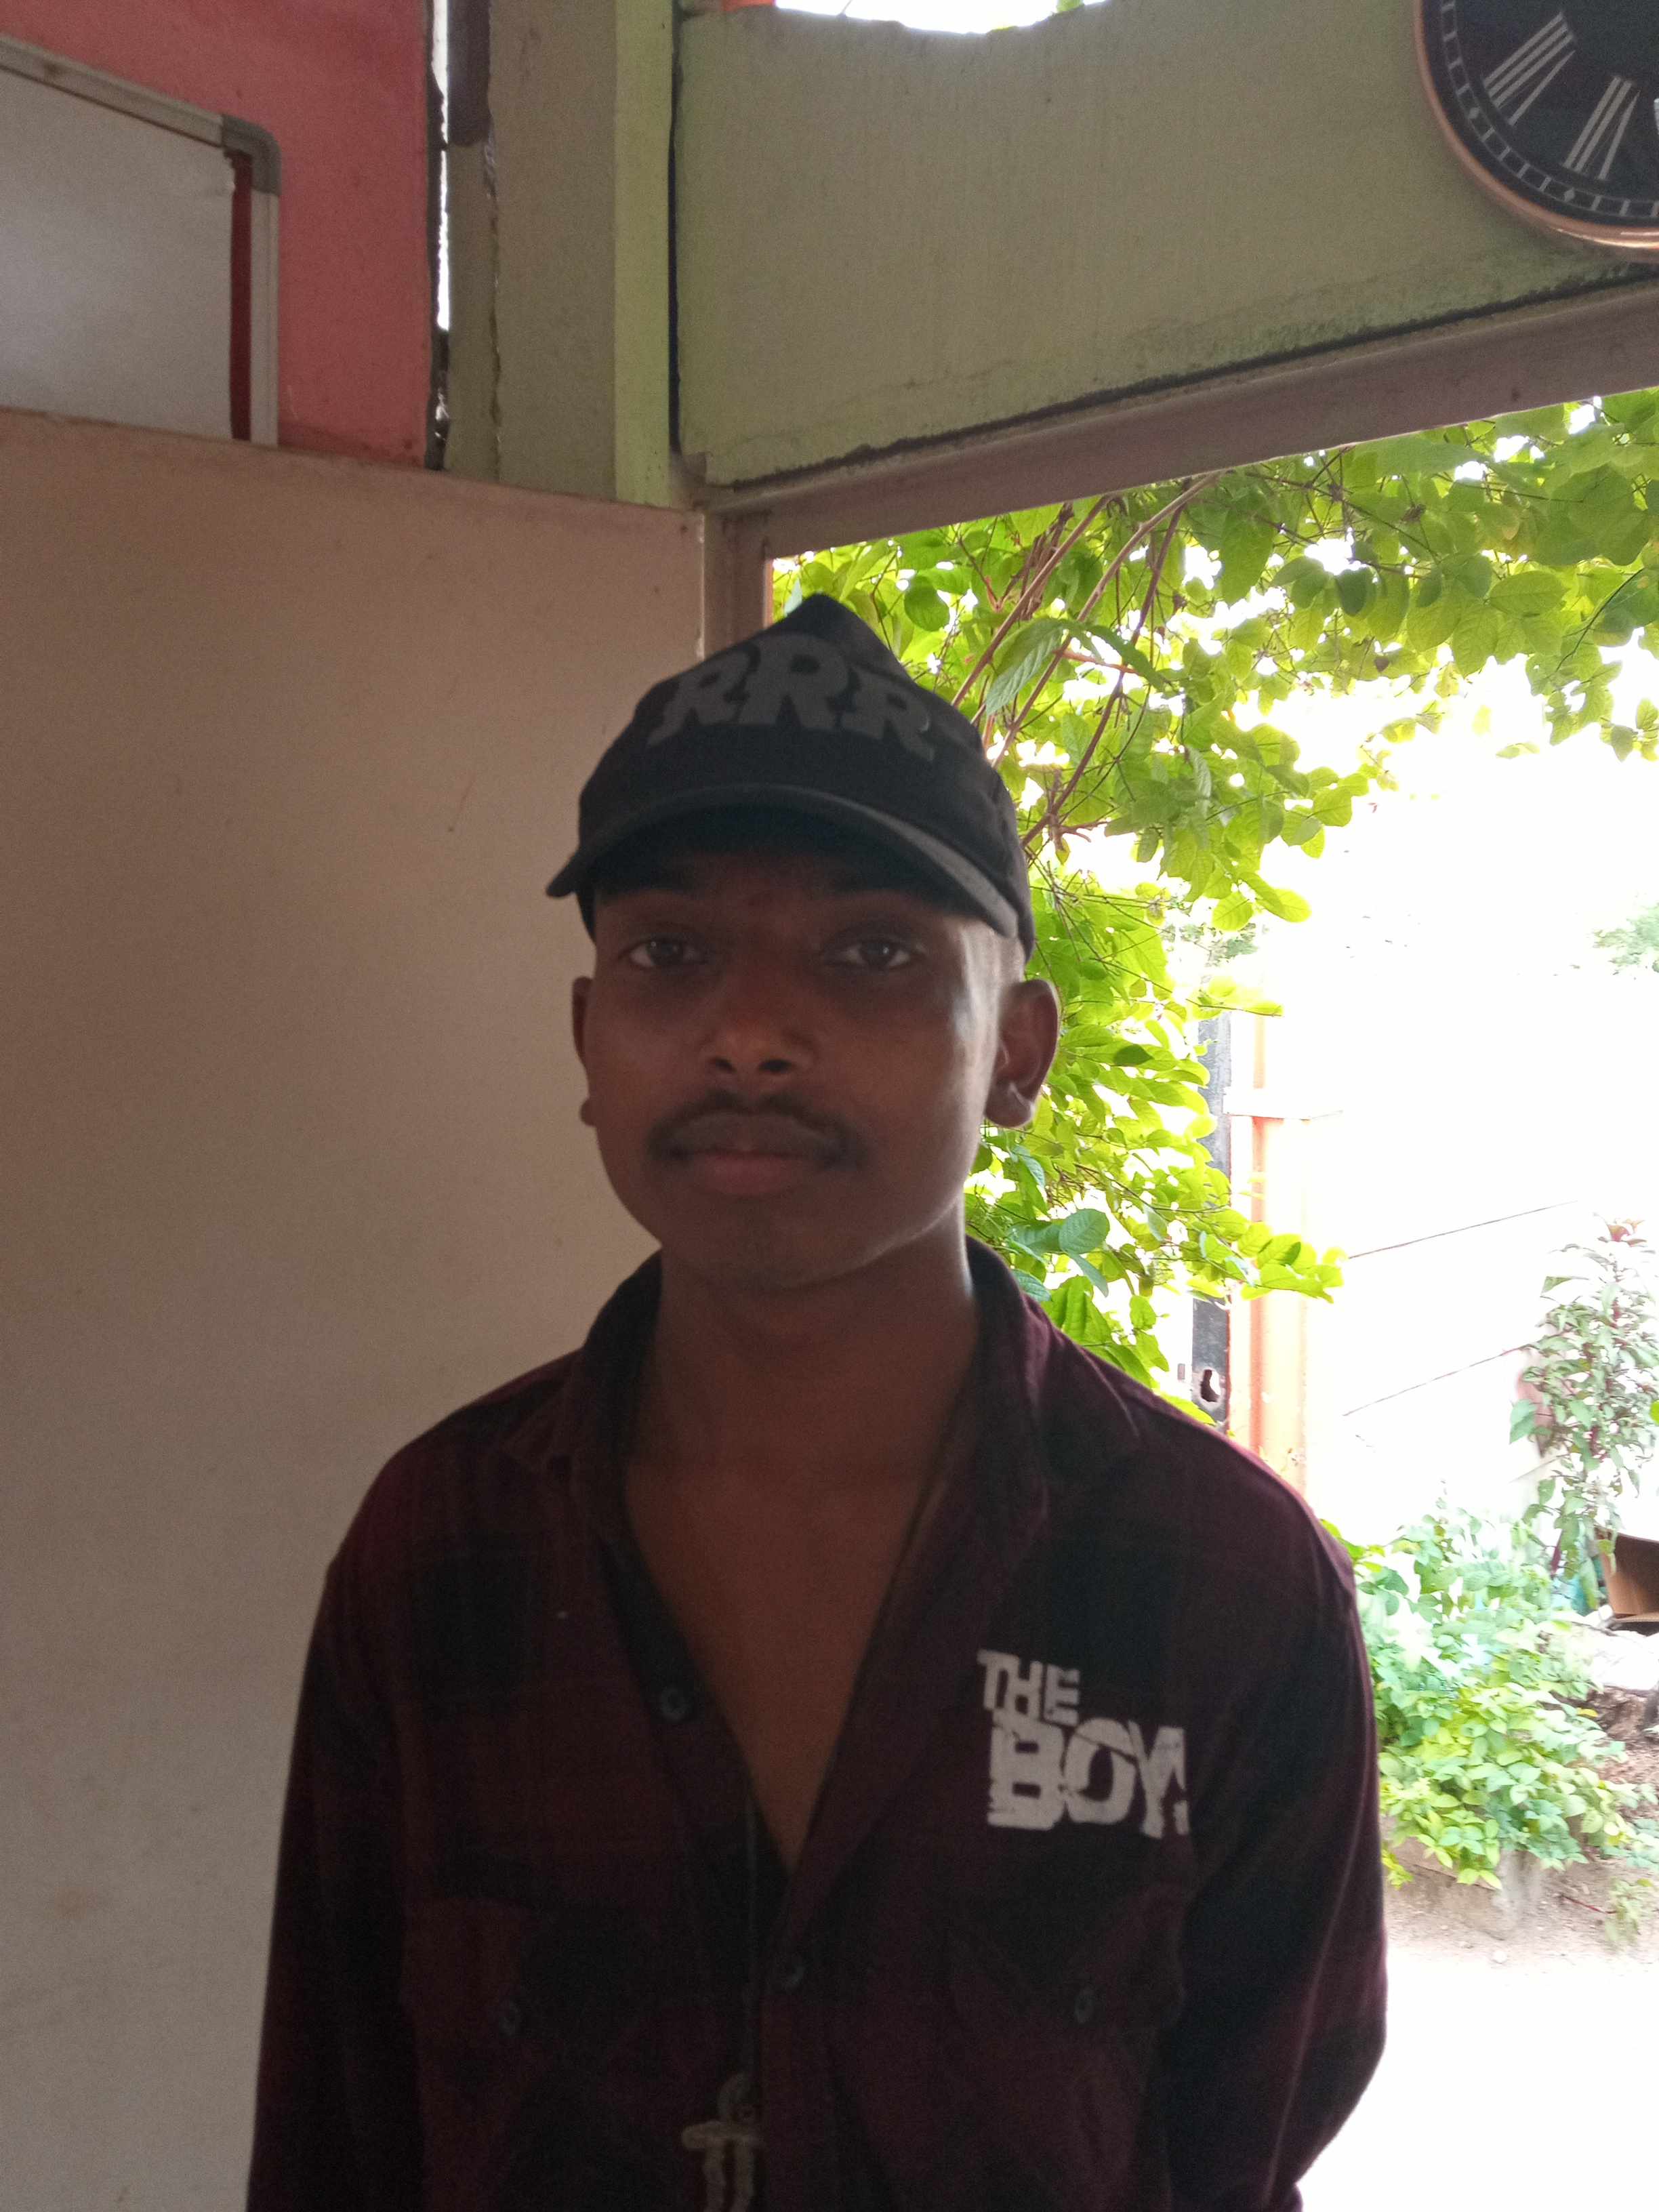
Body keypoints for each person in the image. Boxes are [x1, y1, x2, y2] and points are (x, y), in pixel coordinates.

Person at [247, 595, 1385, 2212]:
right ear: (589, 1040)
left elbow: (1243, 2154)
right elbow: (338, 2140)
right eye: (670, 954)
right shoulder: (441, 1547)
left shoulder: (1228, 1591)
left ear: (1018, 1052)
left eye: (874, 954)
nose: (750, 1037)